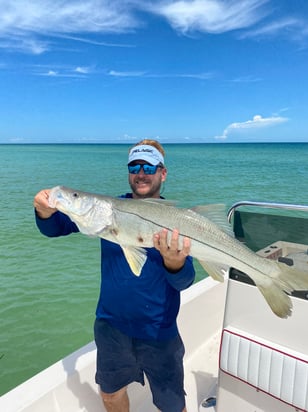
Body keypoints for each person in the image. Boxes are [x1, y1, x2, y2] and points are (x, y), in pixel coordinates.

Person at [33, 139, 195, 412]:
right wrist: (43, 210)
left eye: (148, 166)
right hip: (111, 327)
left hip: (158, 331)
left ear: (162, 173)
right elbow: (54, 227)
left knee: (172, 405)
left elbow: (184, 281)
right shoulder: (106, 210)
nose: (140, 173)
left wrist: (174, 262)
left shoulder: (177, 221)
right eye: (134, 167)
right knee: (110, 394)